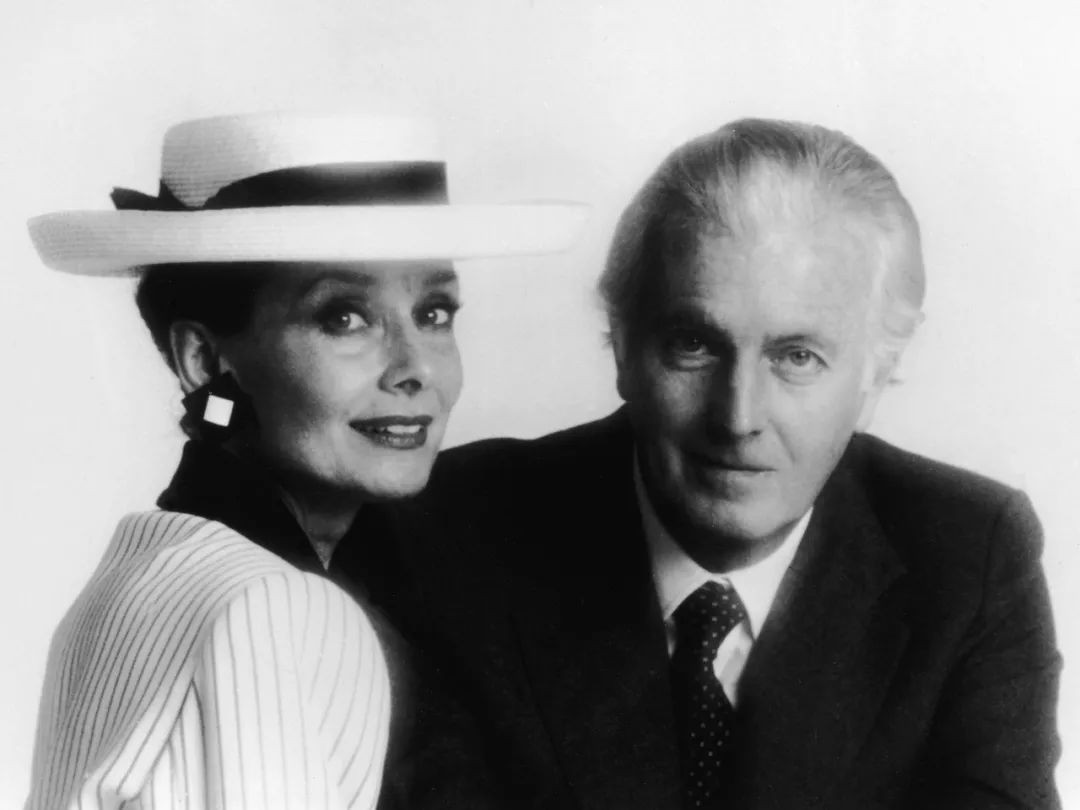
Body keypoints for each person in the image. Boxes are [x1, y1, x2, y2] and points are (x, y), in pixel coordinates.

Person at [345, 118, 1062, 809]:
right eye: (694, 345)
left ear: (874, 378)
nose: (738, 417)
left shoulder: (970, 559)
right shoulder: (440, 541)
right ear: (623, 348)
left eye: (797, 357)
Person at [24, 112, 586, 810]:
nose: (415, 368)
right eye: (344, 316)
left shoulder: (133, 575)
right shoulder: (276, 608)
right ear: (204, 360)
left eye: (434, 313)